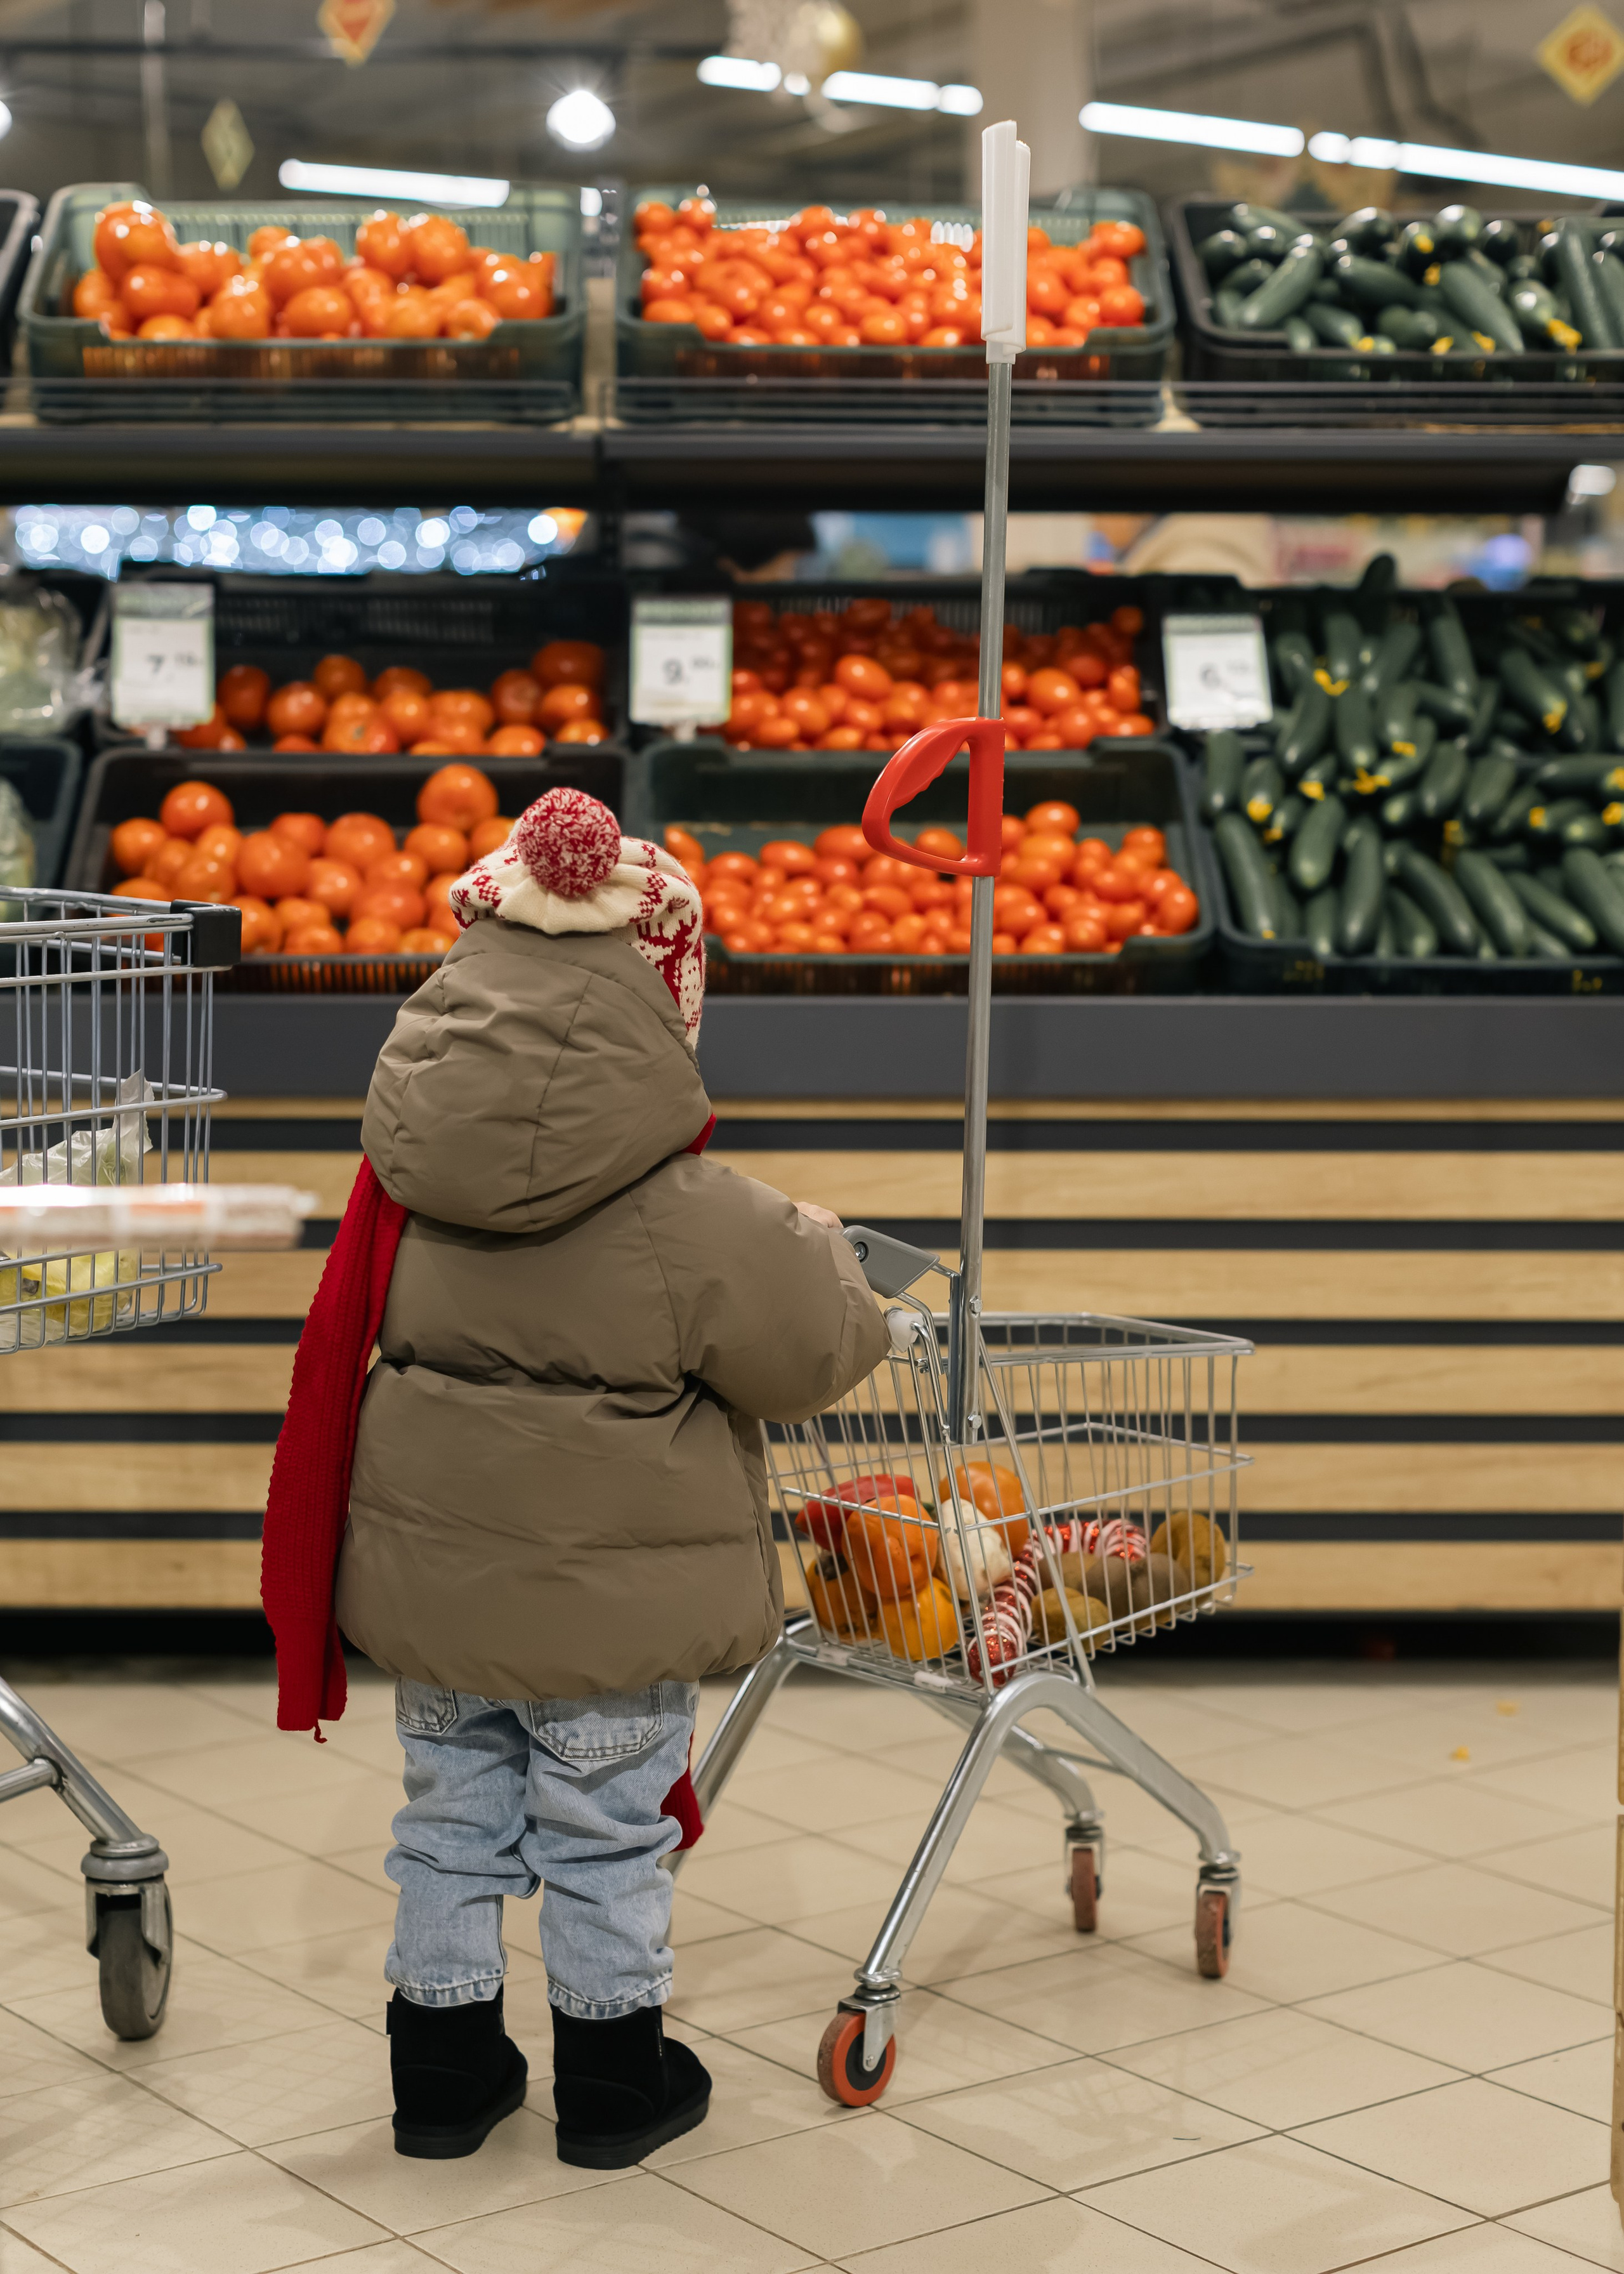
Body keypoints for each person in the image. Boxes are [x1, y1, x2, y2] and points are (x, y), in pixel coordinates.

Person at [261, 787, 887, 2169]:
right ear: (664, 994)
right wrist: (837, 1261)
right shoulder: (690, 1208)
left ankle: (441, 2074)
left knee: (447, 1826)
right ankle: (610, 2081)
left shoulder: (407, 1180)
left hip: (444, 1596)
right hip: (609, 1611)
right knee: (604, 1839)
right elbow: (809, 1349)